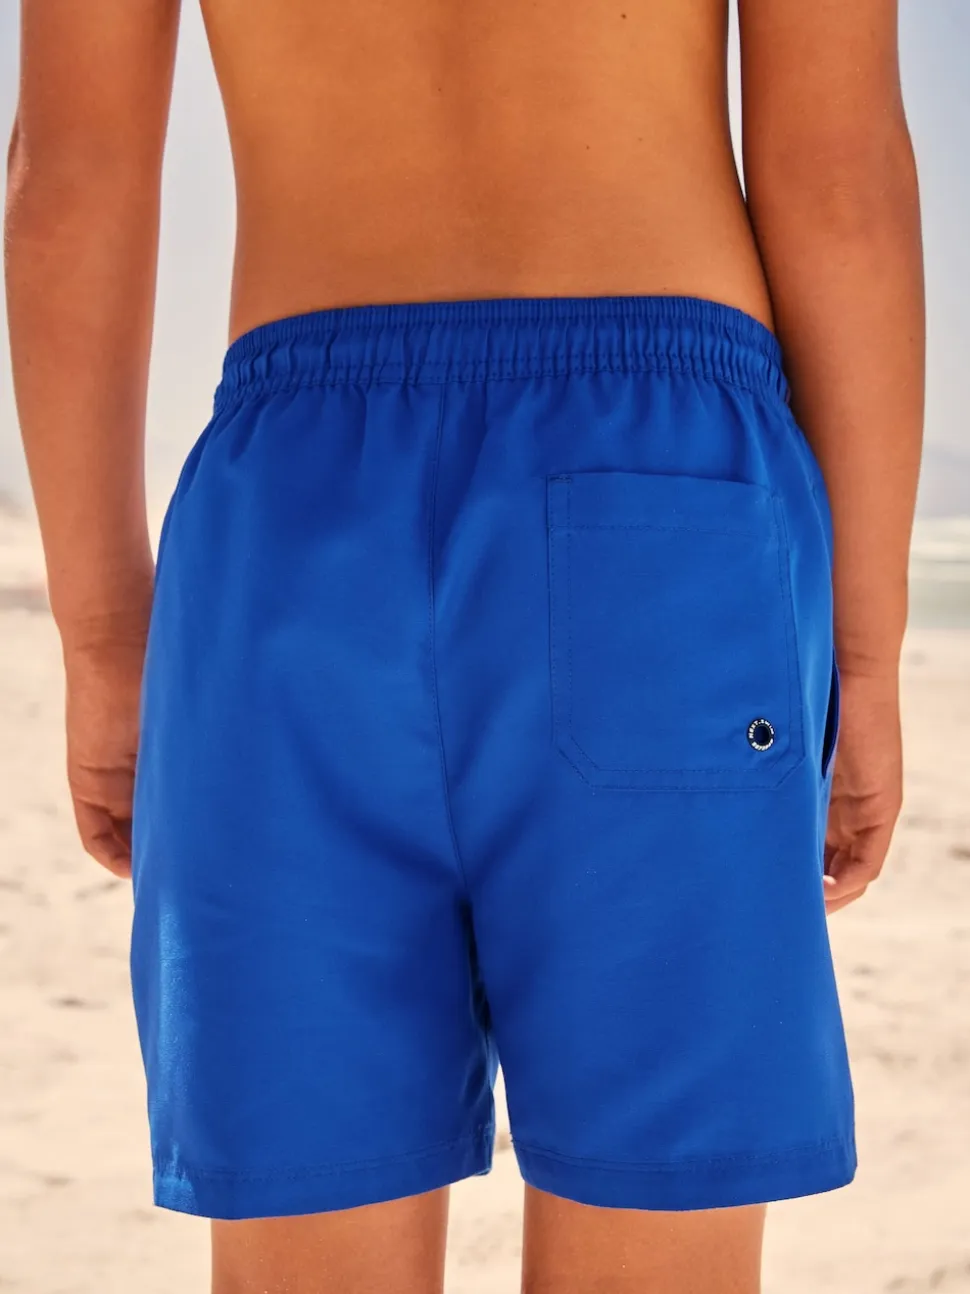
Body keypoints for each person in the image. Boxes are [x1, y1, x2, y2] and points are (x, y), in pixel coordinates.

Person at [5, 0, 924, 1290]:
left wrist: (106, 638)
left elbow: (72, 180)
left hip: (294, 510)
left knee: (305, 1251)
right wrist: (865, 656)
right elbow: (837, 180)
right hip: (655, 485)